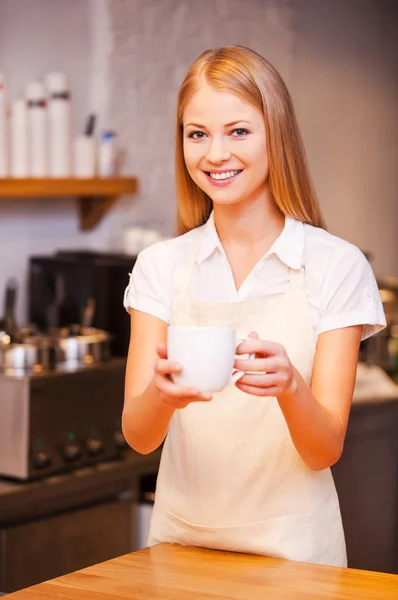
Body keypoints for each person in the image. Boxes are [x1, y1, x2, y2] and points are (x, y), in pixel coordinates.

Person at [122, 45, 385, 567]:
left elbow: (323, 450)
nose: (215, 154)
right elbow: (139, 437)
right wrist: (164, 393)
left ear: (276, 135)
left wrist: (290, 387)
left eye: (238, 131)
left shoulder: (336, 265)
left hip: (297, 553)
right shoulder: (160, 265)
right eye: (197, 134)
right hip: (181, 545)